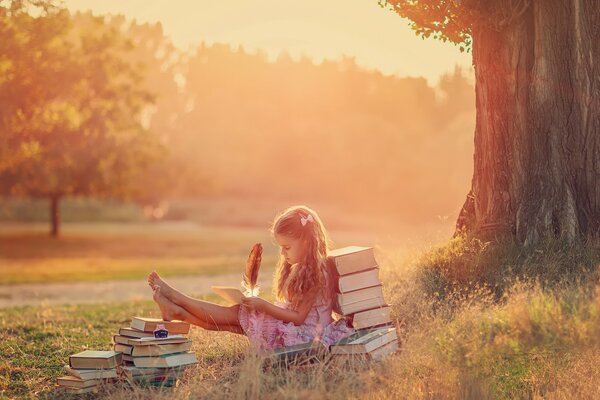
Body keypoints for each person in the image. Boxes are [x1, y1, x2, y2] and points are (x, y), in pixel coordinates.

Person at [147, 205, 353, 351]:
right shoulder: (306, 268)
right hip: (297, 330)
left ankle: (177, 299)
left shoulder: (316, 273)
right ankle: (178, 312)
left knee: (238, 316)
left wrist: (263, 306)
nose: (283, 254)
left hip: (305, 337)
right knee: (235, 322)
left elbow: (299, 318)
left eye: (287, 247)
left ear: (307, 242)